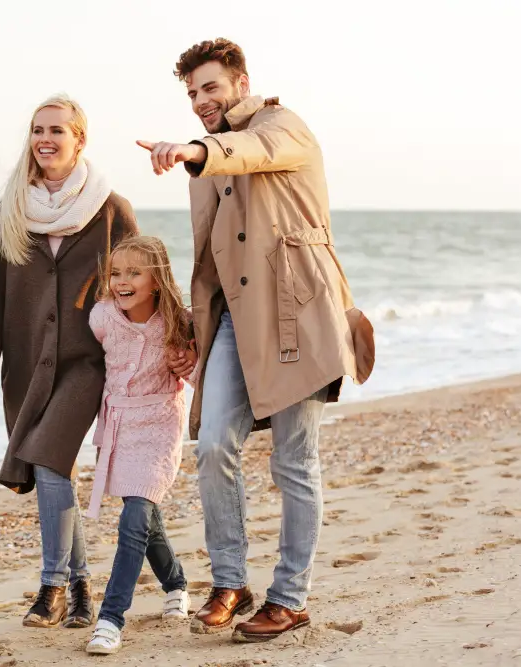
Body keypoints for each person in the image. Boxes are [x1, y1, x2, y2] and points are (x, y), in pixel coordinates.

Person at [137, 38, 375, 642]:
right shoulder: (206, 163)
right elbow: (212, 259)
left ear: (241, 83)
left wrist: (197, 149)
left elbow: (252, 149)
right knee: (213, 444)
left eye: (210, 88)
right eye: (191, 93)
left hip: (298, 316)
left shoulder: (283, 126)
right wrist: (194, 325)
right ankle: (231, 580)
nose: (200, 101)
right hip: (235, 325)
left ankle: (291, 597)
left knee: (295, 462)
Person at [0, 95, 139, 630]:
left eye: (57, 130)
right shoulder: (11, 209)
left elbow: (143, 283)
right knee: (55, 474)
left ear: (79, 139)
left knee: (47, 460)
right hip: (25, 365)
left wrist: (154, 357)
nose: (45, 139)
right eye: (37, 129)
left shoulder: (112, 208)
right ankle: (83, 584)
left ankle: (51, 588)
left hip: (87, 364)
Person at [82, 236, 196, 655]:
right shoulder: (103, 318)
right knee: (144, 518)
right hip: (120, 428)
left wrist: (190, 364)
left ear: (157, 280)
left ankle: (110, 619)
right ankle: (176, 583)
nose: (121, 281)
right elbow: (79, 361)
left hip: (161, 426)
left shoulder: (179, 323)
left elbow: (204, 376)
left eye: (134, 273)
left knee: (134, 518)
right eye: (115, 273)